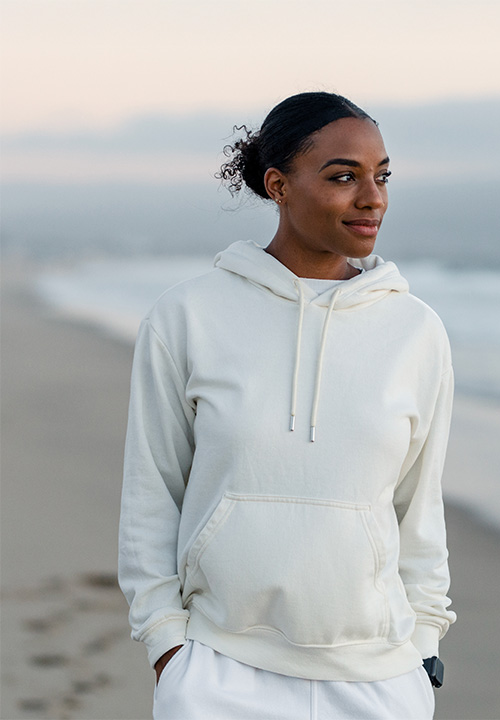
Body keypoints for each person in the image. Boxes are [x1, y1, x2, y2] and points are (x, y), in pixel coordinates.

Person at [118, 91, 456, 719]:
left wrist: (424, 641)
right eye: (343, 177)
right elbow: (151, 490)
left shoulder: (416, 331)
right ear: (278, 184)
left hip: (378, 679)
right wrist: (167, 643)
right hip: (220, 669)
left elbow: (418, 502)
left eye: (381, 177)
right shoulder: (187, 317)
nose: (372, 197)